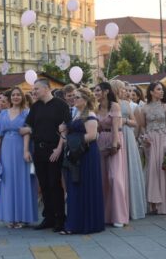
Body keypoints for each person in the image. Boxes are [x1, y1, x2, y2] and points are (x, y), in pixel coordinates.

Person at [21, 79, 71, 232]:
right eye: (33, 89)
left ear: (47, 88)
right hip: (39, 149)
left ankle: (60, 218)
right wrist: (27, 147)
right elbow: (26, 127)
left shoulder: (61, 105)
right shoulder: (35, 107)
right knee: (43, 184)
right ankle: (48, 217)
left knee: (54, 184)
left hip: (54, 149)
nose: (33, 91)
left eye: (36, 88)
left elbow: (65, 128)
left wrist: (58, 148)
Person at [58, 87, 104, 235]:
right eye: (74, 97)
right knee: (75, 188)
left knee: (86, 187)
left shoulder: (90, 114)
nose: (74, 99)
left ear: (85, 100)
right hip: (76, 155)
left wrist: (71, 140)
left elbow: (91, 135)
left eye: (77, 97)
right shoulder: (75, 114)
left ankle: (86, 223)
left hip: (87, 155)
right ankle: (74, 223)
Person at [0, 87, 38, 228]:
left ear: (22, 97)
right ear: (10, 98)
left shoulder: (27, 113)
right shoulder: (2, 114)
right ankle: (10, 217)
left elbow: (27, 132)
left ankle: (22, 217)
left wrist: (26, 151)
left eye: (18, 95)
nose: (16, 97)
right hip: (6, 148)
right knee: (8, 181)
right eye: (13, 95)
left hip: (21, 148)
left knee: (22, 180)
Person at [138, 83, 166, 215]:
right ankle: (154, 204)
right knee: (152, 170)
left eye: (162, 89)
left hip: (164, 139)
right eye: (158, 89)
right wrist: (145, 136)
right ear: (151, 92)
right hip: (150, 142)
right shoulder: (144, 108)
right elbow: (142, 126)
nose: (161, 91)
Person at [94, 82, 129, 228]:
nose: (95, 93)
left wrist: (115, 144)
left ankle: (119, 216)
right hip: (101, 141)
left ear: (106, 91)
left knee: (114, 177)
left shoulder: (114, 106)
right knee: (103, 180)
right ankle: (105, 215)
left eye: (97, 90)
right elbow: (98, 127)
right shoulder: (96, 109)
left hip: (115, 140)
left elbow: (115, 127)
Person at [111, 80, 146, 220]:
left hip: (127, 136)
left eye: (126, 89)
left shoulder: (126, 104)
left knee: (130, 168)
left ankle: (132, 206)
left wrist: (124, 121)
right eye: (123, 89)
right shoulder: (109, 105)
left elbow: (135, 122)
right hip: (115, 135)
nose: (125, 91)